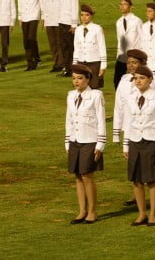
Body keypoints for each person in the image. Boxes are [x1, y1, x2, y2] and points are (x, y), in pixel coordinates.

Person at [123, 64, 155, 226]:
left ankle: (153, 214)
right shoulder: (130, 97)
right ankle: (142, 213)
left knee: (152, 179)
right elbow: (127, 121)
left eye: (142, 78)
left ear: (150, 79)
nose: (138, 81)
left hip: (151, 140)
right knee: (136, 179)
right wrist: (126, 145)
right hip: (135, 140)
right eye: (136, 78)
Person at [65, 63, 105, 224]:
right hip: (75, 140)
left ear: (88, 79)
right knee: (78, 176)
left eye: (80, 78)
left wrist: (100, 144)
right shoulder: (70, 95)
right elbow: (69, 119)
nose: (76, 81)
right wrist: (67, 141)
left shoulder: (96, 96)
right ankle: (82, 210)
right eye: (74, 78)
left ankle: (92, 211)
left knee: (87, 175)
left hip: (90, 140)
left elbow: (101, 120)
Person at [71, 5, 106, 89]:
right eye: (82, 15)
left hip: (94, 63)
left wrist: (103, 66)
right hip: (81, 63)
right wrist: (74, 64)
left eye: (87, 15)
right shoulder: (78, 29)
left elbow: (102, 47)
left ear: (91, 16)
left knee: (94, 88)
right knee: (81, 87)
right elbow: (76, 48)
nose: (84, 17)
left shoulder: (97, 29)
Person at [17, 0, 42, 71]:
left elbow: (41, 1)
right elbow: (19, 1)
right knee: (26, 40)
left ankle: (32, 63)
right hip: (24, 16)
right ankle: (34, 59)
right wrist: (19, 17)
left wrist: (43, 16)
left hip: (34, 15)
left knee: (31, 37)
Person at [113, 0, 142, 86]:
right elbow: (119, 40)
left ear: (130, 7)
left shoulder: (137, 21)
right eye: (120, 4)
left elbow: (142, 38)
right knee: (117, 80)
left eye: (125, 4)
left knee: (135, 78)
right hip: (122, 56)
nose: (122, 6)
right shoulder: (118, 22)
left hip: (134, 56)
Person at [57, 0, 80, 76]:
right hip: (62, 21)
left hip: (69, 23)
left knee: (71, 47)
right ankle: (67, 68)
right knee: (64, 47)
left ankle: (72, 69)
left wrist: (74, 24)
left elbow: (74, 7)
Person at [41, 0, 62, 72]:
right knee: (53, 44)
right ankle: (56, 63)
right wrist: (44, 20)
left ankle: (61, 64)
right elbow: (44, 8)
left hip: (59, 21)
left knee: (60, 44)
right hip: (49, 22)